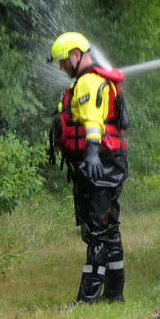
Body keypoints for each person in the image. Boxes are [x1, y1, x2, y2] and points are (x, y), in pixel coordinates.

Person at [49, 32, 129, 303]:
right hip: (110, 160)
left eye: (63, 62)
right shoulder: (97, 80)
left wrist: (92, 153)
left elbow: (93, 120)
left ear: (75, 54)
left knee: (96, 229)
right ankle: (115, 293)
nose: (62, 68)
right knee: (107, 227)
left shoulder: (88, 82)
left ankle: (88, 299)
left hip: (100, 162)